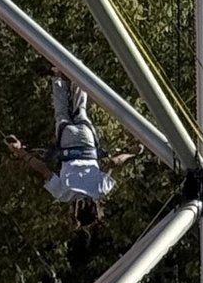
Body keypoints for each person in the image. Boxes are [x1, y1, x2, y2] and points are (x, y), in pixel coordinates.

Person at [9, 71, 138, 229]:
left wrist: (133, 153)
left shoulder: (100, 190)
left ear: (95, 208)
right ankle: (58, 77)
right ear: (74, 212)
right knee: (61, 113)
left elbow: (113, 162)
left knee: (80, 109)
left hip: (87, 141)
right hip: (67, 141)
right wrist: (20, 151)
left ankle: (77, 72)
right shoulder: (63, 194)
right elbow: (43, 169)